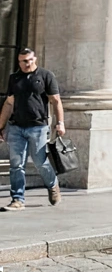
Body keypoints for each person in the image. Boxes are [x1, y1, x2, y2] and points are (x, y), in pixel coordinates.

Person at [0, 48, 63, 210]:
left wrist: (60, 122)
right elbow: (9, 103)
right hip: (16, 127)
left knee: (40, 162)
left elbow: (56, 101)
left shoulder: (45, 76)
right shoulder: (14, 78)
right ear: (19, 62)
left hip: (38, 127)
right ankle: (17, 199)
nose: (27, 63)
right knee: (16, 164)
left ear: (35, 59)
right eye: (24, 61)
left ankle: (52, 184)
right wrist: (1, 126)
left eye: (30, 60)